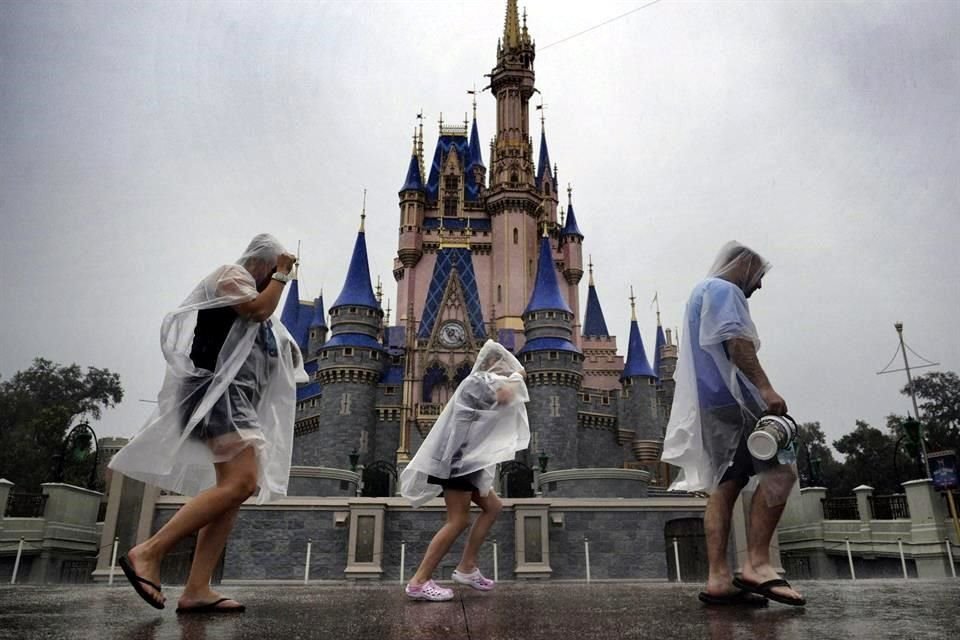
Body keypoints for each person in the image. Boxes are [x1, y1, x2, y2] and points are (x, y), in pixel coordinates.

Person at [109, 234, 306, 613]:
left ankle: (197, 588)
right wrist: (283, 275)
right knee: (241, 483)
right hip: (216, 398)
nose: (275, 281)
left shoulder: (263, 307)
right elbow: (256, 309)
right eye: (273, 271)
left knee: (233, 493)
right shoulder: (229, 276)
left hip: (236, 404)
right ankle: (148, 552)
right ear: (261, 263)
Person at [661, 241, 805, 607]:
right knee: (782, 470)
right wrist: (766, 389)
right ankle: (758, 565)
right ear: (742, 265)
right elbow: (737, 342)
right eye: (758, 275)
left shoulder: (699, 293)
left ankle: (718, 579)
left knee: (725, 485)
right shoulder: (725, 290)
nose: (759, 285)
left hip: (710, 405)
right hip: (738, 400)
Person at [399, 340, 529, 602]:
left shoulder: (482, 382)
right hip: (458, 460)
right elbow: (505, 396)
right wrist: (518, 374)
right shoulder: (478, 381)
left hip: (468, 460)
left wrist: (514, 378)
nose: (505, 370)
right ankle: (419, 581)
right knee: (458, 520)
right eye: (503, 364)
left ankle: (467, 567)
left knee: (493, 507)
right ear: (492, 363)